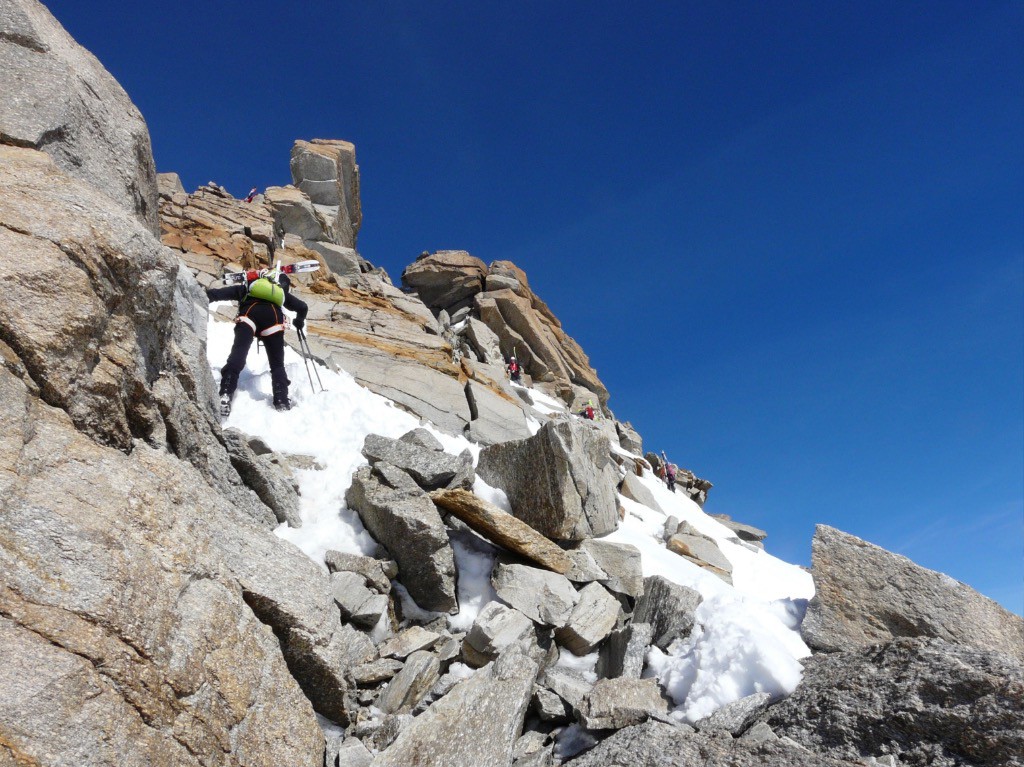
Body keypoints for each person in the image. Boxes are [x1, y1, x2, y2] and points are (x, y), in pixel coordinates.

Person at [206, 267, 308, 415]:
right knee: (277, 365)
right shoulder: (281, 294)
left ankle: (226, 393)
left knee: (238, 356)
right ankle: (281, 400)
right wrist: (299, 322)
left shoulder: (249, 288)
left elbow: (218, 294)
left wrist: (203, 295)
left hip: (249, 314)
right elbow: (303, 307)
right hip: (274, 320)